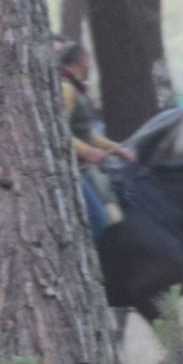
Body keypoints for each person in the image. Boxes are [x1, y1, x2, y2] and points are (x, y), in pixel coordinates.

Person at [59, 41, 133, 237]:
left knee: (115, 215)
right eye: (88, 59)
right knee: (98, 218)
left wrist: (116, 148)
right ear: (82, 61)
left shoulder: (76, 88)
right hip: (73, 170)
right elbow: (60, 132)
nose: (90, 64)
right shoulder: (67, 89)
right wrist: (87, 152)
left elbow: (85, 133)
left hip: (85, 169)